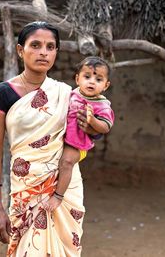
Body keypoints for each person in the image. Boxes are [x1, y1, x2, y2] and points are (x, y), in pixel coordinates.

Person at [0, 21, 95, 256]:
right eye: (35, 45)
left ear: (56, 52)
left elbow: (86, 139)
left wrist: (75, 155)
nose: (43, 52)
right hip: (26, 188)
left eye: (50, 46)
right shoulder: (3, 93)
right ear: (20, 50)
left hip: (65, 190)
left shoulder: (68, 95)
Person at [42, 57, 114, 212]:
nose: (92, 82)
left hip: (76, 145)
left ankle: (58, 196)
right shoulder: (70, 94)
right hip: (60, 139)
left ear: (106, 85)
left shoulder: (101, 105)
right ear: (77, 79)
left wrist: (92, 121)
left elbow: (105, 126)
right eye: (87, 77)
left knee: (66, 163)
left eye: (98, 79)